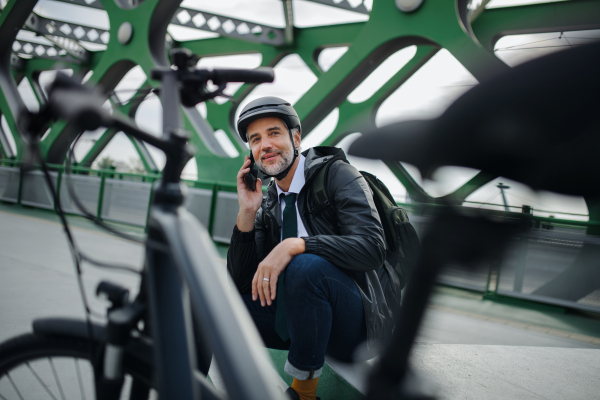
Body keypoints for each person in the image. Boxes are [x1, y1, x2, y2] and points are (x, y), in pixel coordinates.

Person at [227, 97, 400, 400]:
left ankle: (304, 395)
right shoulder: (267, 202)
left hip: (355, 322)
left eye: (274, 133)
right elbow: (242, 284)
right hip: (293, 319)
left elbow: (372, 248)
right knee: (206, 301)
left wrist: (298, 245)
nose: (265, 144)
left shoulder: (338, 175)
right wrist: (247, 212)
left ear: (295, 138)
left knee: (304, 264)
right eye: (256, 139)